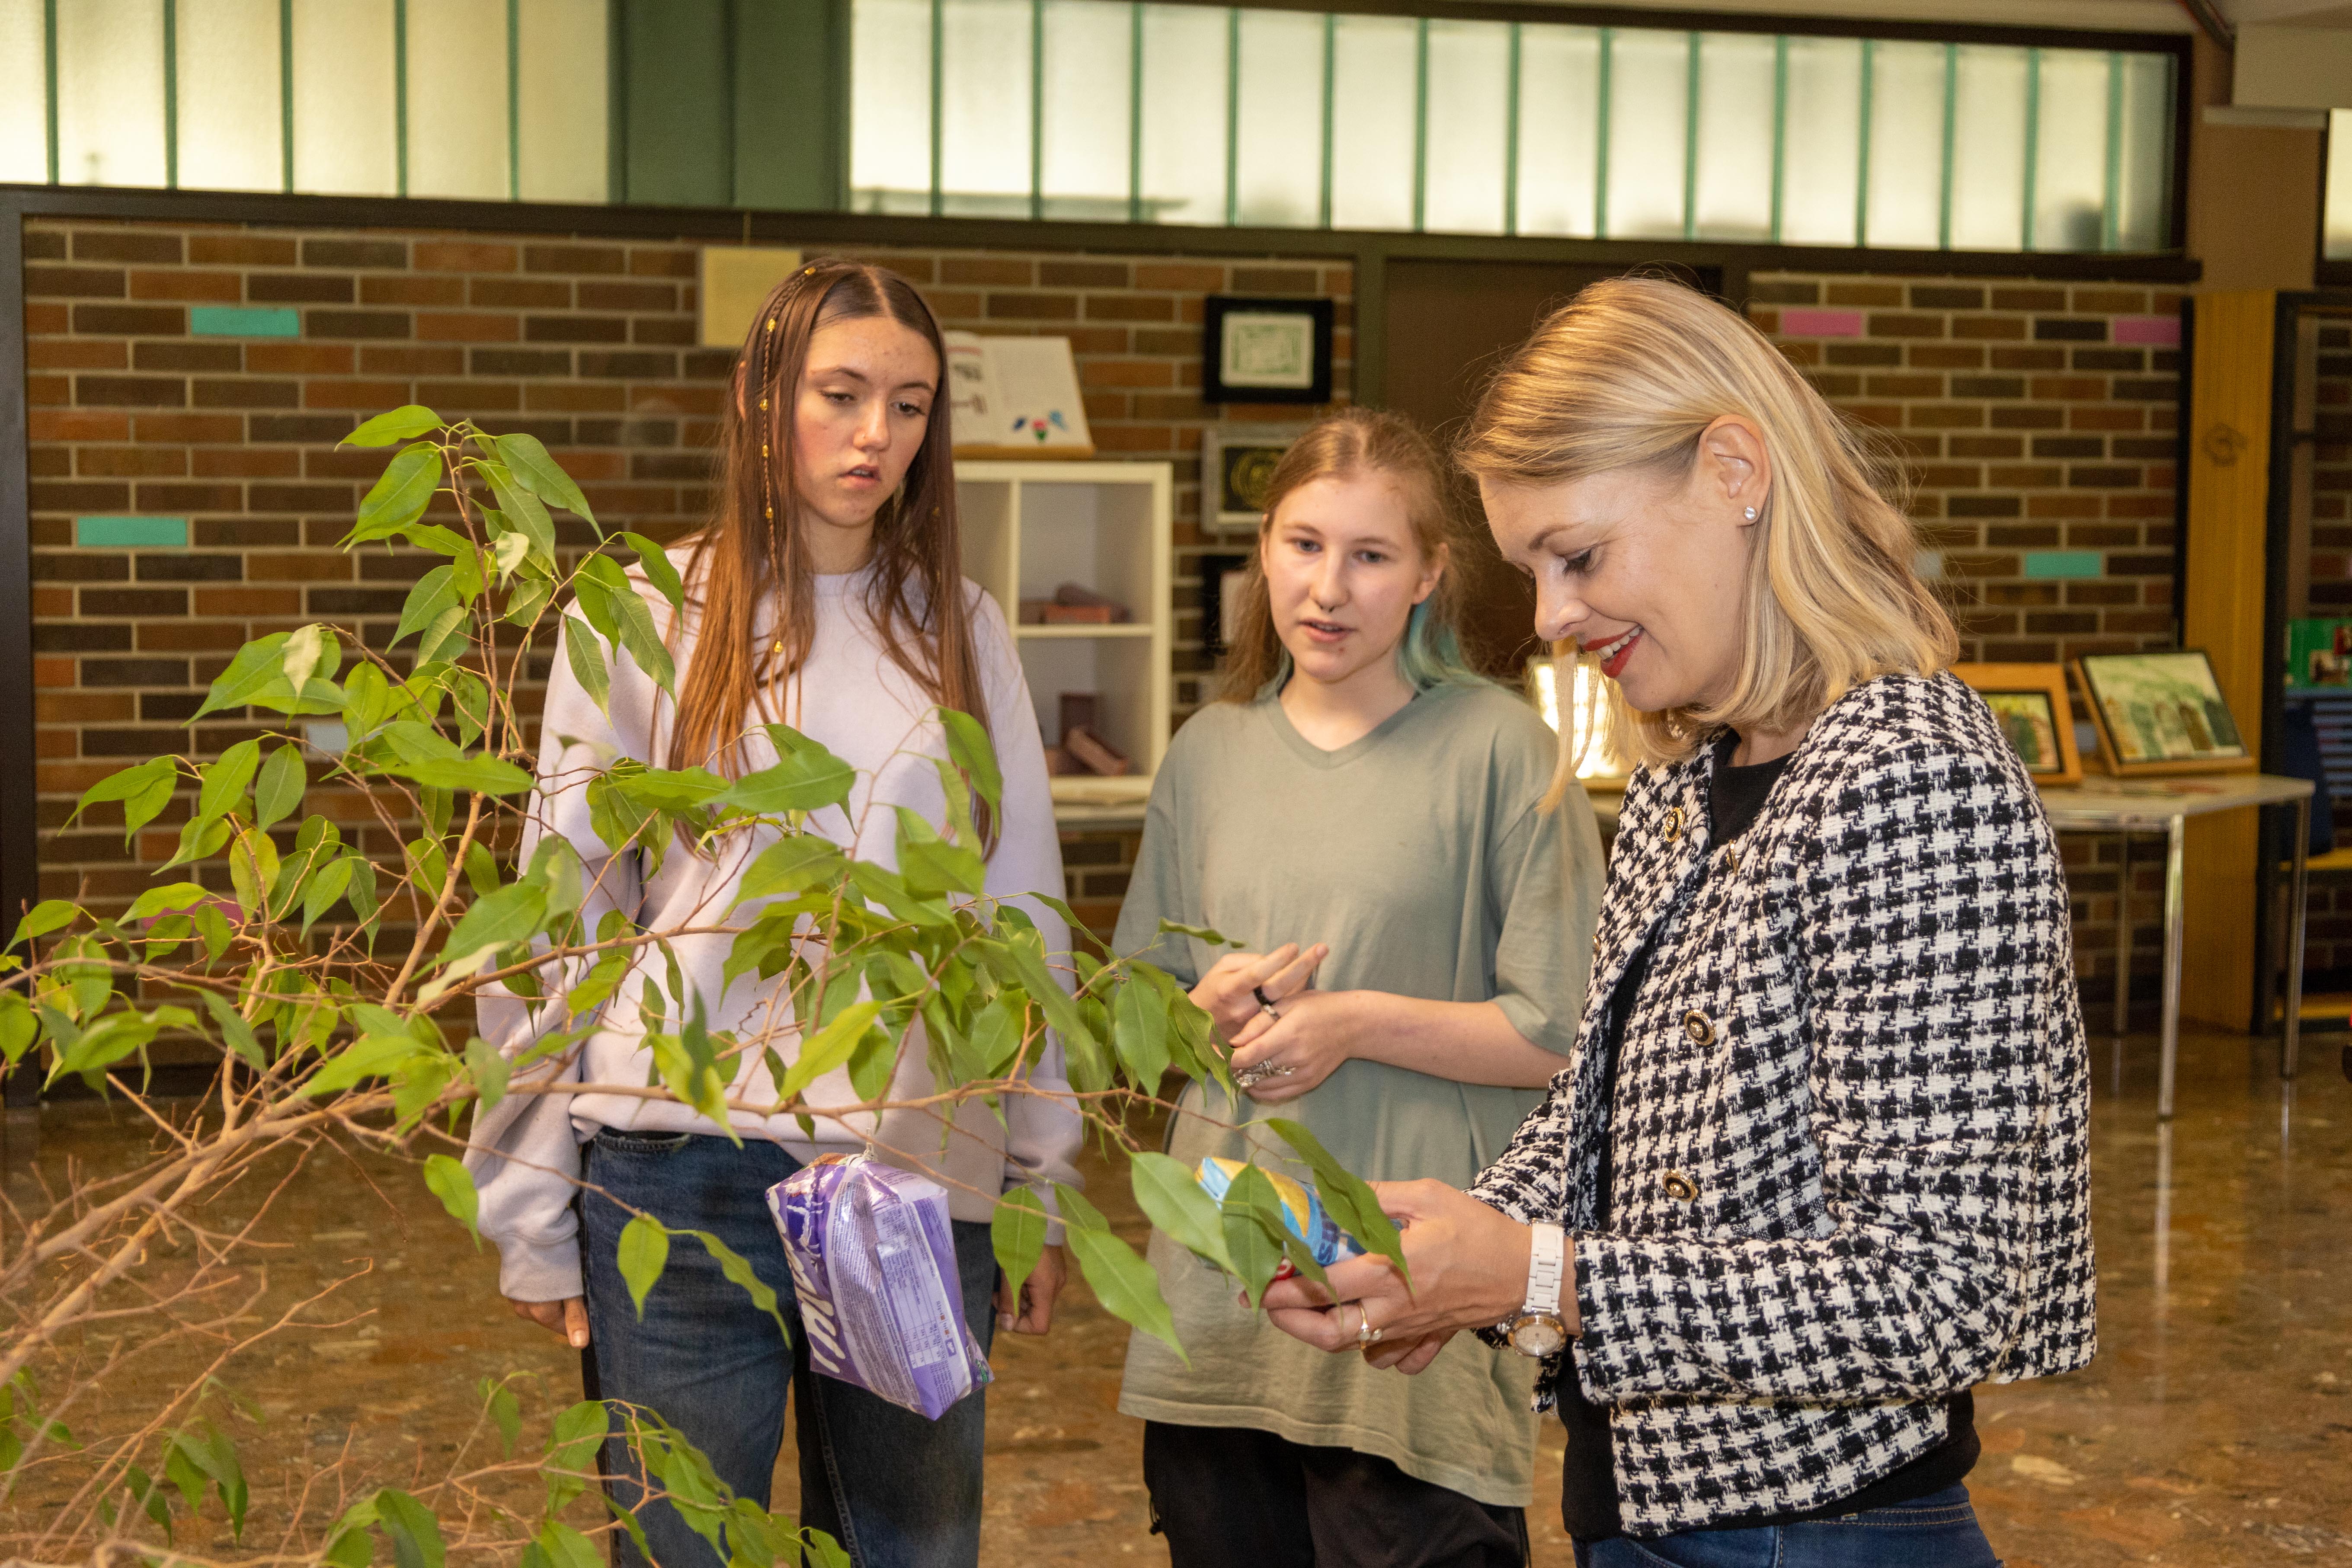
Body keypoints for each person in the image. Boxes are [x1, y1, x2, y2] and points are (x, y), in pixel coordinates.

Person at [1265, 276, 2094, 1568]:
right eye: (1533, 567)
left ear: (1733, 470)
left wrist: (1539, 1276)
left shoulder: (1912, 772)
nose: (1547, 616)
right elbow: (1622, 1123)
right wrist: (1448, 1244)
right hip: (1657, 1508)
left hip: (1822, 1527)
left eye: (1578, 555)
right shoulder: (1681, 779)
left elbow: (1941, 1291)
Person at [465, 259, 1081, 1568]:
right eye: (842, 393)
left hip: (911, 1167)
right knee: (683, 1550)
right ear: (761, 397)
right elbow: (558, 916)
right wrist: (529, 1201)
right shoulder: (642, 613)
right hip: (677, 1169)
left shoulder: (960, 631)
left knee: (907, 1552)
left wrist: (1040, 1179)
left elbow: (1020, 913)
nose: (877, 436)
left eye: (910, 406)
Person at [1115, 408, 1606, 1568]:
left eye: (1371, 555)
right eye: (1302, 544)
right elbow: (1132, 1030)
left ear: (1431, 573)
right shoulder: (1208, 751)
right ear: (1264, 553)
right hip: (1220, 1304)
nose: (1327, 588)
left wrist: (1350, 1023)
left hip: (1411, 1300)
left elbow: (1562, 1034)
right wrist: (1202, 1017)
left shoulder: (1503, 750)